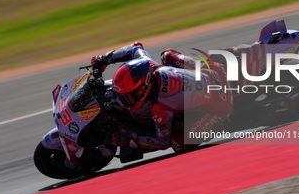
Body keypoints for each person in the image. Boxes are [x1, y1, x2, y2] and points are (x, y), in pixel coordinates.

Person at [91, 42, 233, 152]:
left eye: (128, 97)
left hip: (222, 104)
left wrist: (128, 140)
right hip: (213, 70)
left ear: (143, 88)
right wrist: (105, 59)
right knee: (167, 55)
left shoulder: (159, 109)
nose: (124, 101)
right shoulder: (149, 65)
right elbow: (135, 48)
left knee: (177, 144)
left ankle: (217, 125)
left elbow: (162, 142)